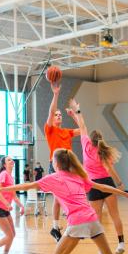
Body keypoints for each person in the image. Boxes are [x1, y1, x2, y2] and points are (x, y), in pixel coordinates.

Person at [0, 148, 128, 254]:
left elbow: (26, 186)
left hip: (78, 222)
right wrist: (127, 194)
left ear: (56, 163)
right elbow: (103, 187)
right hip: (93, 220)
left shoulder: (53, 178)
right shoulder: (77, 176)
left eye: (52, 159)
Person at [68, 99, 128, 254]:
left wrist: (77, 112)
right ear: (101, 139)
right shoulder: (103, 151)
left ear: (90, 139)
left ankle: (102, 250)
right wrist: (120, 183)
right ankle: (121, 243)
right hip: (107, 184)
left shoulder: (86, 145)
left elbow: (82, 127)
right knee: (115, 215)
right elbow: (110, 169)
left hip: (93, 186)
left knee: (97, 220)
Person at [44, 81, 80, 242]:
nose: (58, 116)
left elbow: (83, 130)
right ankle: (56, 225)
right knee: (59, 197)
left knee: (71, 195)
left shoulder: (67, 132)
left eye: (60, 115)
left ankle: (56, 226)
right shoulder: (50, 130)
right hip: (56, 166)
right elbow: (51, 111)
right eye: (56, 115)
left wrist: (75, 114)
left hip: (70, 167)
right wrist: (56, 94)